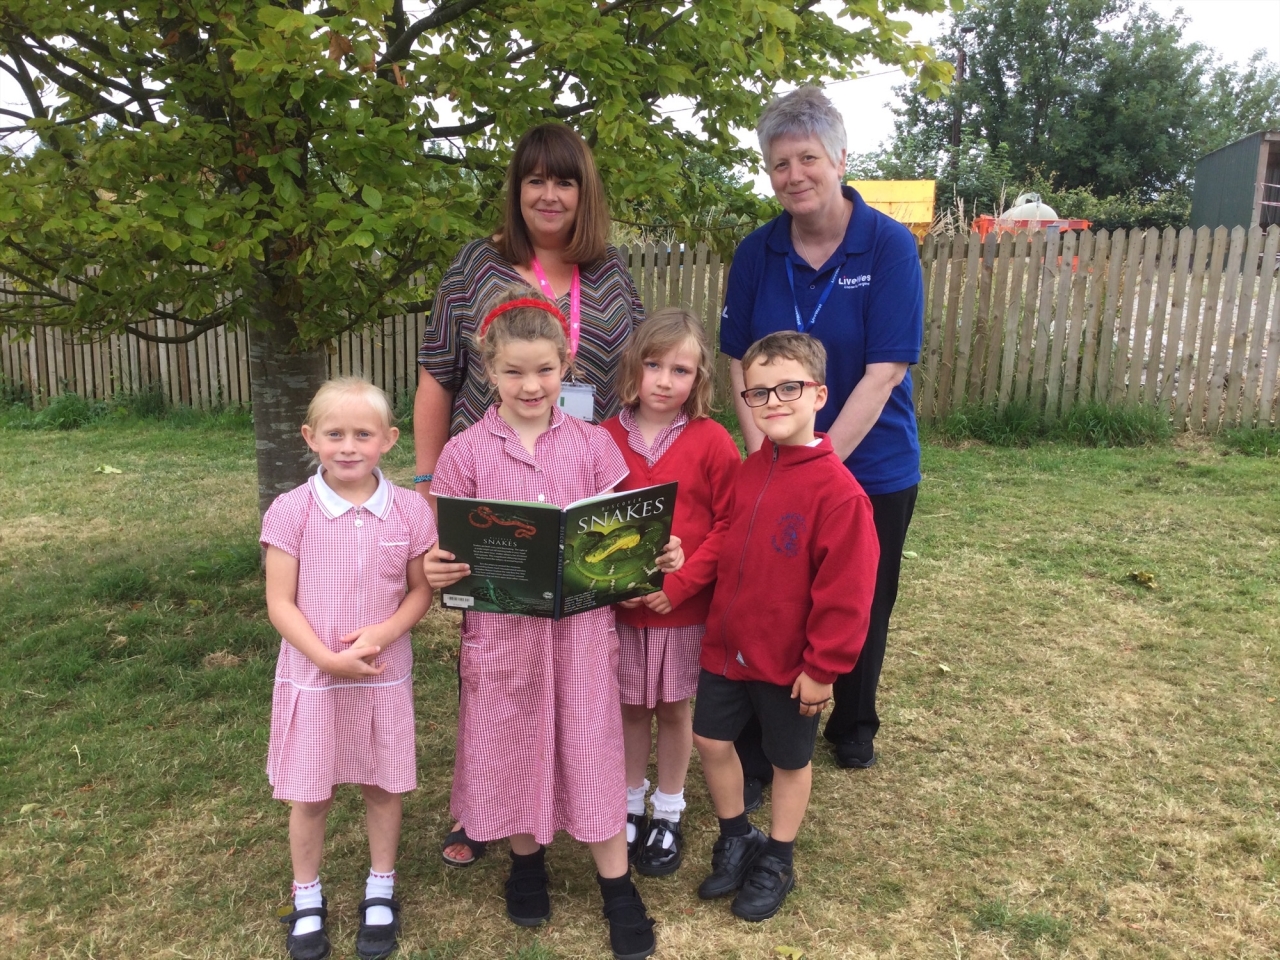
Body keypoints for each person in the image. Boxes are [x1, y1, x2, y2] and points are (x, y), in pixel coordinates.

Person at [423, 291, 683, 960]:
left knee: (591, 748)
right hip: (504, 636)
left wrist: (658, 551)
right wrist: (440, 570)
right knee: (509, 740)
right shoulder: (464, 453)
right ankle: (526, 861)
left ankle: (618, 889)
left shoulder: (596, 446)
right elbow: (445, 550)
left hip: (582, 636)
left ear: (565, 364)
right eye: (513, 371)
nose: (530, 385)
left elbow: (625, 537)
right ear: (489, 371)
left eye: (543, 370)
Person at [414, 122, 645, 867]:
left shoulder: (611, 276)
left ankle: (581, 792)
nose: (550, 195)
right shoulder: (476, 267)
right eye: (535, 181)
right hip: (492, 476)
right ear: (518, 190)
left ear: (585, 192)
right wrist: (428, 488)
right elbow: (436, 376)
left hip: (578, 471)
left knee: (579, 651)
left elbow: (631, 385)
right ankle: (486, 805)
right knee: (495, 645)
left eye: (565, 180)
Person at [719, 86, 922, 787]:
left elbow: (886, 369)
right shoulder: (758, 252)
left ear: (840, 158)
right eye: (779, 163)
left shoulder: (889, 246)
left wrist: (816, 461)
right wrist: (765, 458)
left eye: (807, 157)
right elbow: (740, 361)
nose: (794, 175)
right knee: (771, 593)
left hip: (872, 463)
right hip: (774, 460)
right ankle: (763, 722)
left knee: (859, 595)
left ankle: (854, 721)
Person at [692, 331, 878, 922]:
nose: (773, 401)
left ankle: (778, 856)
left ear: (819, 394)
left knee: (788, 762)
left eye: (788, 388)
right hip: (727, 649)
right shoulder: (749, 472)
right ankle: (736, 837)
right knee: (711, 741)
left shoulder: (839, 495)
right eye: (758, 392)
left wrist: (823, 669)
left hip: (789, 664)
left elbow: (847, 596)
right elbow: (726, 545)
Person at [261, 378, 437, 960]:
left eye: (363, 434)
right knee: (311, 794)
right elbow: (279, 602)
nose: (348, 446)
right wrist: (326, 656)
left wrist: (383, 633)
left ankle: (380, 886)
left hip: (382, 677)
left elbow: (419, 593)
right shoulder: (292, 511)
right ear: (311, 438)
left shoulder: (410, 510)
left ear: (389, 440)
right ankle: (306, 894)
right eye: (334, 434)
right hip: (315, 679)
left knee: (382, 785)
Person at [600, 308, 742, 877]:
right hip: (624, 608)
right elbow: (588, 523)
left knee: (675, 709)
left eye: (679, 370)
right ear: (634, 369)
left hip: (683, 611)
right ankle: (630, 803)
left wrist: (679, 585)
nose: (664, 380)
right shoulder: (603, 438)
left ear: (699, 379)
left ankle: (668, 809)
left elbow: (728, 526)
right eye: (654, 365)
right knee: (632, 707)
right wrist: (616, 591)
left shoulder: (712, 442)